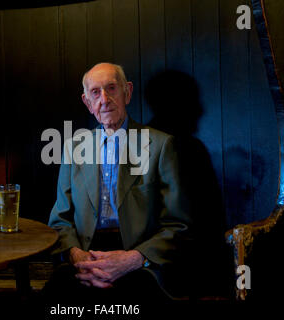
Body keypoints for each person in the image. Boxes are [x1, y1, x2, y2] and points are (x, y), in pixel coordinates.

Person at [43, 62, 195, 309]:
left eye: (111, 88)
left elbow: (179, 225)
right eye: (95, 92)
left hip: (139, 262)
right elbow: (59, 221)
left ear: (127, 92)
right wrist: (78, 258)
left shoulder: (160, 146)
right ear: (87, 102)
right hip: (85, 257)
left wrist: (132, 260)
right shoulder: (74, 148)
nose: (104, 99)